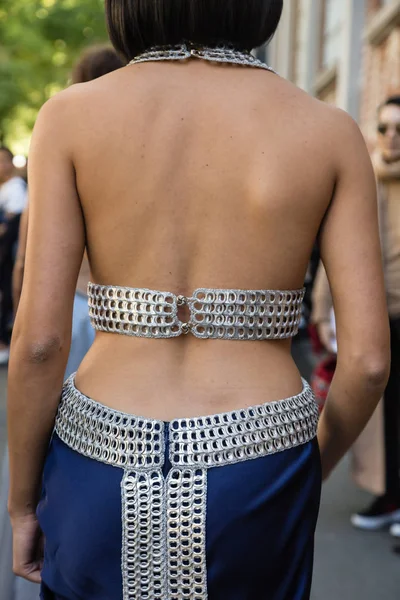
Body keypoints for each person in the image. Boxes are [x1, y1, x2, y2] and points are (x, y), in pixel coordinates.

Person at [8, 2, 390, 599]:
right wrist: (303, 470)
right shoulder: (327, 130)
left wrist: (23, 501)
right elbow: (367, 362)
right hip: (262, 450)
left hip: (99, 445)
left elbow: (39, 343)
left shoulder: (71, 118)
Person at [0, 45, 124, 600]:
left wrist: (19, 505)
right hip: (126, 325)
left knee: (57, 433)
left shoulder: (69, 132)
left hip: (69, 309)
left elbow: (37, 332)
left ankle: (59, 542)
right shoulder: (141, 147)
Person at [312, 96, 400, 541]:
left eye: (399, 129)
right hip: (377, 314)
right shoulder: (363, 175)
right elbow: (335, 254)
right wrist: (323, 310)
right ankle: (388, 496)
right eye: (384, 128)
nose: (391, 138)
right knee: (381, 416)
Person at [0, 148, 27, 364]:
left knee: (9, 295)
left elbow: (10, 226)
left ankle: (7, 344)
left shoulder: (16, 188)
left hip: (10, 254)